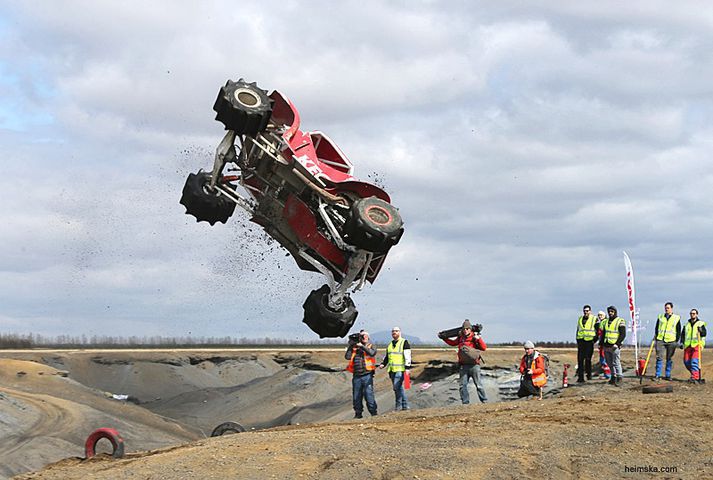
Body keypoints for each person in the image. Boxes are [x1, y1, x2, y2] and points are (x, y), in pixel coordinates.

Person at [441, 319, 488, 404]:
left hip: (475, 366)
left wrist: (479, 339)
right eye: (464, 329)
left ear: (470, 329)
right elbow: (452, 343)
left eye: (467, 329)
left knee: (479, 385)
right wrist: (444, 338)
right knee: (463, 386)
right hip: (463, 366)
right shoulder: (460, 338)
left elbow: (484, 348)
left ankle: (484, 401)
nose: (465, 330)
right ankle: (465, 402)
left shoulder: (474, 337)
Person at [345, 330, 378, 418]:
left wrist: (362, 346)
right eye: (362, 336)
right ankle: (358, 414)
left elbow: (372, 353)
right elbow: (347, 357)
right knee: (356, 396)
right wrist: (351, 345)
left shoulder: (371, 346)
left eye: (365, 336)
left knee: (369, 395)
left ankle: (373, 413)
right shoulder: (354, 348)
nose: (364, 337)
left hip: (367, 375)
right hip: (356, 375)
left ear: (368, 337)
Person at [379, 326, 411, 411]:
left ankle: (399, 406)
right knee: (399, 388)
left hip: (400, 370)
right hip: (392, 370)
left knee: (397, 387)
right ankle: (405, 406)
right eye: (393, 331)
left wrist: (407, 368)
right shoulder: (390, 344)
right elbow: (387, 356)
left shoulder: (404, 342)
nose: (394, 333)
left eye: (396, 331)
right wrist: (383, 364)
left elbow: (408, 356)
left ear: (400, 332)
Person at [654, 302, 681, 381]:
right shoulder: (660, 317)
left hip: (671, 340)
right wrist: (657, 336)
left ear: (671, 308)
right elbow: (657, 327)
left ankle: (668, 375)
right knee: (659, 357)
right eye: (665, 308)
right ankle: (658, 375)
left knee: (669, 358)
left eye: (668, 308)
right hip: (660, 340)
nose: (666, 309)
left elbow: (678, 329)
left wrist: (676, 340)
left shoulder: (676, 318)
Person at [600, 306, 626, 386]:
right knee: (609, 363)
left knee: (616, 362)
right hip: (606, 345)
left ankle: (619, 377)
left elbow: (622, 334)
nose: (610, 313)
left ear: (615, 312)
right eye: (609, 311)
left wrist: (617, 344)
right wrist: (601, 343)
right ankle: (613, 376)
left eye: (612, 311)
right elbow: (604, 333)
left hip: (614, 346)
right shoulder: (606, 322)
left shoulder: (620, 321)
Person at [681, 309, 707, 383]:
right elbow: (683, 335)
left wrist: (701, 330)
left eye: (694, 313)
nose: (692, 315)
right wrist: (682, 343)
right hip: (688, 346)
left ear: (697, 314)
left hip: (697, 345)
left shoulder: (700, 323)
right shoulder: (686, 325)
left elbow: (704, 334)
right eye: (691, 313)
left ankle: (695, 377)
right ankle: (695, 373)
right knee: (686, 362)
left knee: (694, 361)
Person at [575, 305, 599, 382]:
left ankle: (589, 375)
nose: (586, 312)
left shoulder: (594, 319)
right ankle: (580, 377)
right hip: (581, 341)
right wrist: (577, 339)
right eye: (585, 311)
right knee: (580, 360)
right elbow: (578, 329)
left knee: (588, 359)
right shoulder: (580, 319)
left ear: (590, 311)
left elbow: (598, 331)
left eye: (587, 311)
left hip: (589, 341)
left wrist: (594, 340)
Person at [596, 310, 611, 379]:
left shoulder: (605, 323)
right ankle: (606, 374)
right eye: (599, 315)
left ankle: (608, 375)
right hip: (601, 344)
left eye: (601, 315)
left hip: (605, 344)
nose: (600, 316)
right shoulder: (600, 323)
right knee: (603, 359)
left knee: (605, 359)